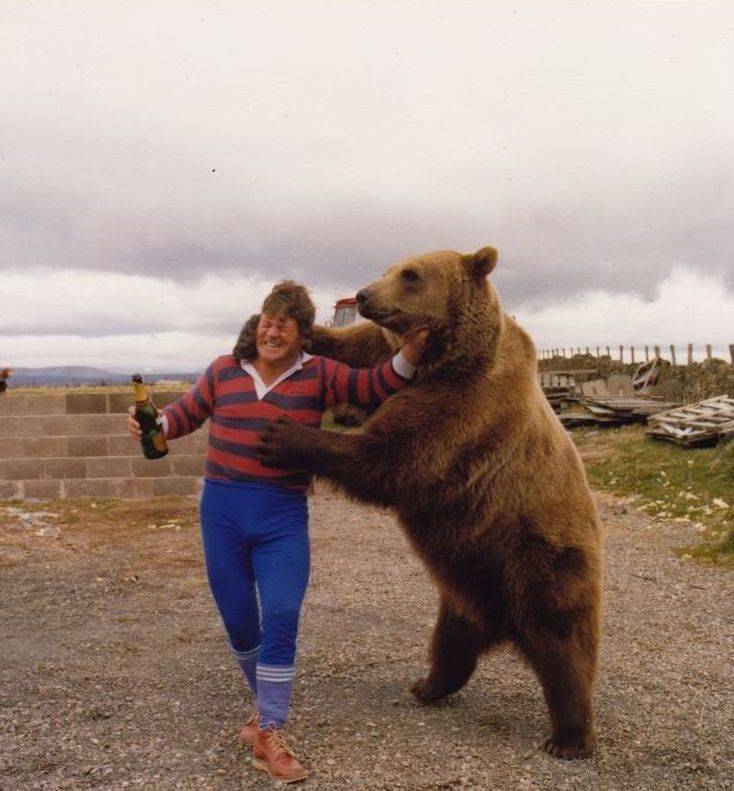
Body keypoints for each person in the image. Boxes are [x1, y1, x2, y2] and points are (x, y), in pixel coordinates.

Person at [127, 281, 427, 783]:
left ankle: (269, 730)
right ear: (258, 324)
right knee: (242, 623)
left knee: (283, 614)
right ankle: (261, 711)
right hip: (221, 511)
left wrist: (412, 352)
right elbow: (181, 415)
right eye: (269, 320)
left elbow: (376, 385)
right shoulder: (224, 370)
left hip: (282, 515)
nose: (274, 330)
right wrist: (150, 421)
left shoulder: (321, 375)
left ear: (301, 334)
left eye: (286, 324)